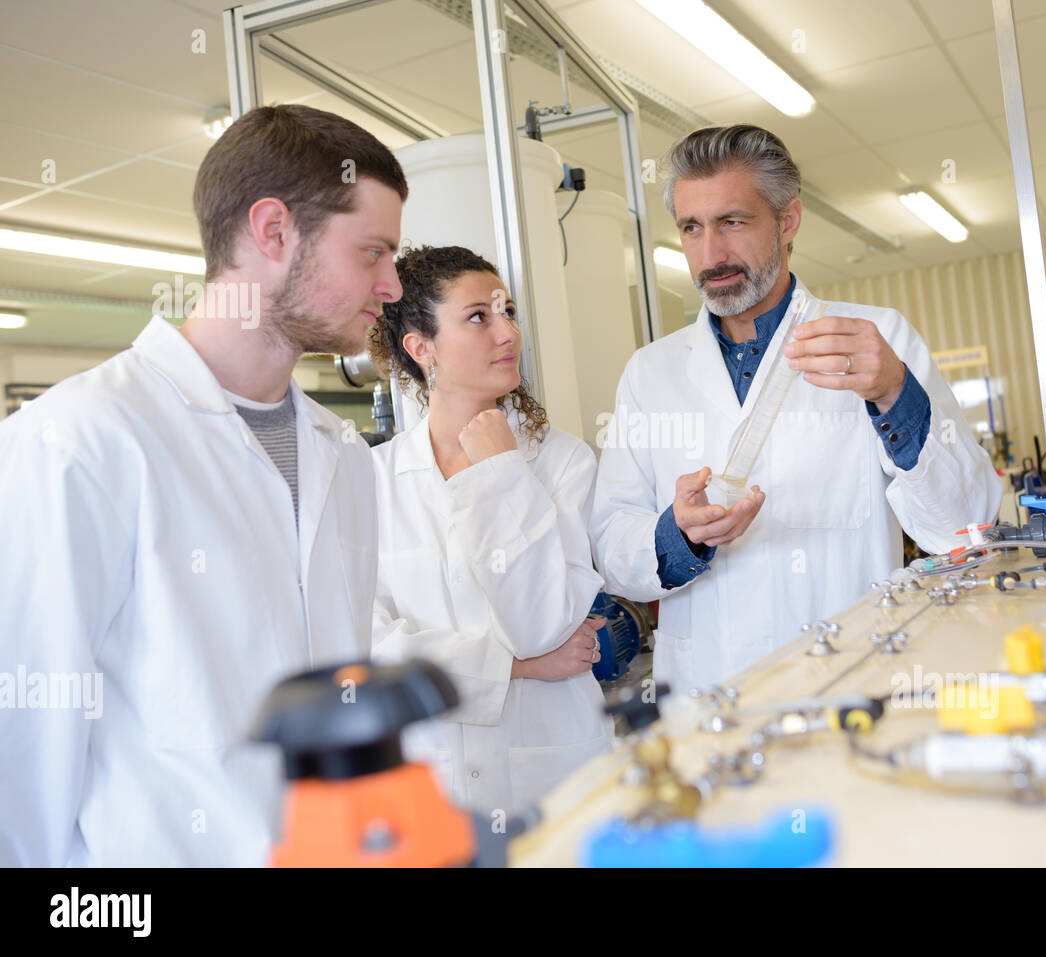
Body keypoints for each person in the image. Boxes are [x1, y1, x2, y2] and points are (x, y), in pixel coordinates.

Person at [0, 104, 407, 866]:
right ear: (274, 231)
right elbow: (22, 761)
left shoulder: (344, 455)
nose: (391, 284)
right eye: (373, 252)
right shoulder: (79, 442)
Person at [591, 124, 1002, 692]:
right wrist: (677, 536)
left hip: (848, 680)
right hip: (709, 689)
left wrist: (891, 392)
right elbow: (611, 544)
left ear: (787, 221)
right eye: (692, 228)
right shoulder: (650, 373)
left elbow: (965, 527)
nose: (711, 254)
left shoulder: (876, 338)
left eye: (732, 222)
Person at [368, 245, 611, 818]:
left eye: (508, 312)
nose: (508, 333)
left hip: (554, 770)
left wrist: (501, 474)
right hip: (430, 776)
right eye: (479, 317)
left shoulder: (564, 463)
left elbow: (540, 624)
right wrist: (519, 668)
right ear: (421, 347)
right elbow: (371, 649)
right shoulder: (373, 478)